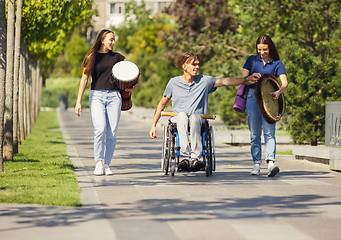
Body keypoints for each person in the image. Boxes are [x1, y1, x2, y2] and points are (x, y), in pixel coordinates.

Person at [150, 52, 259, 171]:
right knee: (182, 115)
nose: (197, 67)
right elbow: (161, 104)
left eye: (198, 64)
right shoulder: (173, 82)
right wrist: (153, 125)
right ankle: (184, 158)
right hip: (178, 118)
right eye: (193, 64)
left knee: (195, 117)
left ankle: (196, 158)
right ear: (184, 66)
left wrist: (246, 79)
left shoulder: (204, 81)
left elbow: (226, 81)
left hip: (198, 118)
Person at [75, 29, 139, 176]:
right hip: (96, 95)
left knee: (112, 132)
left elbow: (133, 71)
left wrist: (136, 83)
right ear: (102, 40)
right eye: (111, 39)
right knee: (100, 129)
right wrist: (78, 102)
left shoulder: (117, 57)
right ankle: (98, 162)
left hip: (114, 97)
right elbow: (84, 79)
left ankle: (107, 164)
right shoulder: (92, 57)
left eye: (114, 39)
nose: (113, 42)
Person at [242, 35, 288, 177]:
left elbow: (284, 83)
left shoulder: (277, 63)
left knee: (269, 133)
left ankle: (270, 163)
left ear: (270, 48)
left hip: (270, 100)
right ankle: (256, 164)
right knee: (254, 134)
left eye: (265, 49)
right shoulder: (251, 60)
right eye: (259, 49)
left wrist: (279, 91)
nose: (262, 52)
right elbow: (243, 80)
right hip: (252, 99)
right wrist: (250, 78)